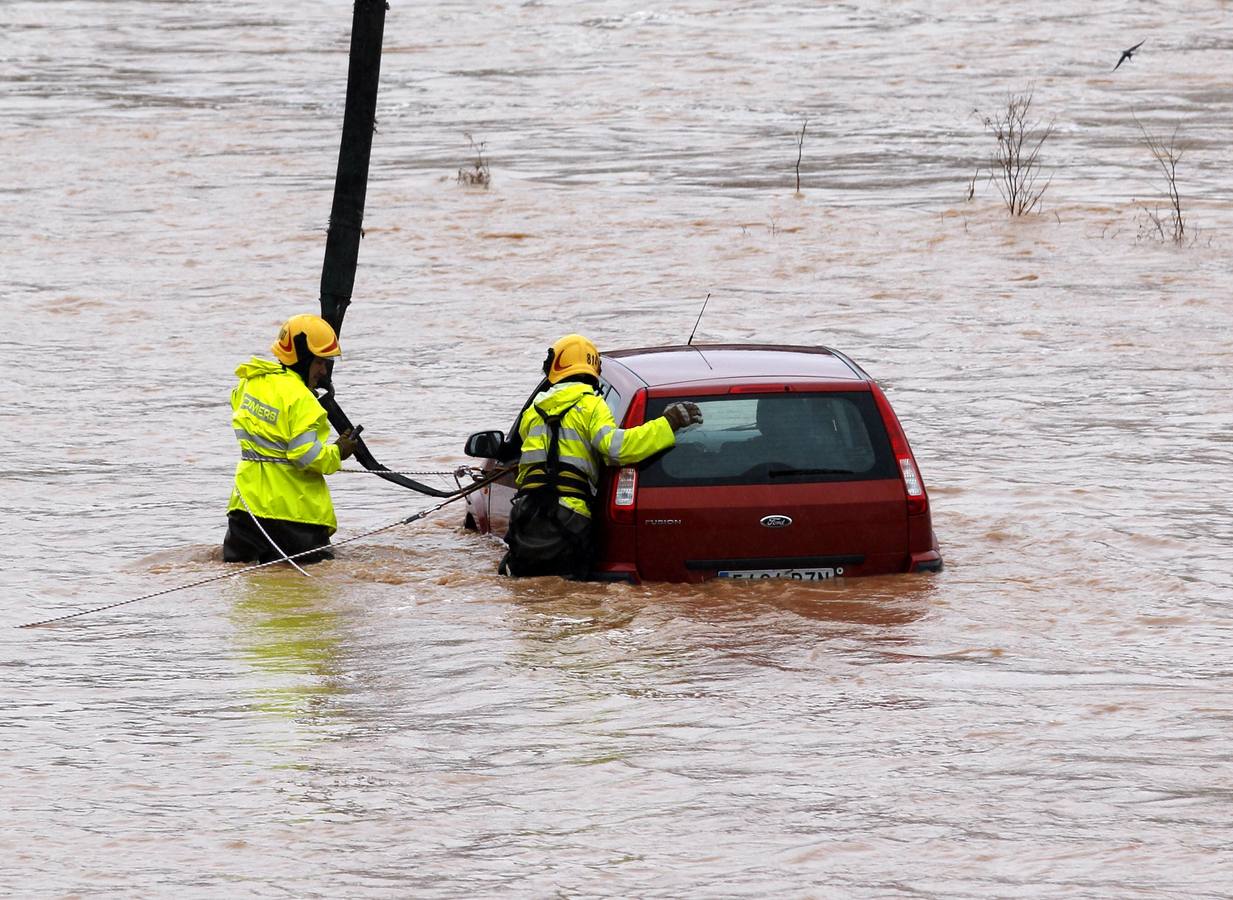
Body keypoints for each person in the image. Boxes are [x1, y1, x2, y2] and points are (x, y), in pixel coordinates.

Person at [500, 333, 702, 578]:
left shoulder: (534, 410)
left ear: (556, 367)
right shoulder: (591, 405)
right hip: (569, 516)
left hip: (527, 515)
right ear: (592, 367)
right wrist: (668, 423)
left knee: (532, 592)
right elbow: (618, 449)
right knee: (571, 595)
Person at [223, 314, 358, 565]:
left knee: (246, 586)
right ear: (303, 358)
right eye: (319, 362)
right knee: (312, 591)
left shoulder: (249, 383)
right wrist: (338, 452)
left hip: (245, 511)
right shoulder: (303, 400)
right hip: (293, 516)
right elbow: (306, 457)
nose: (322, 371)